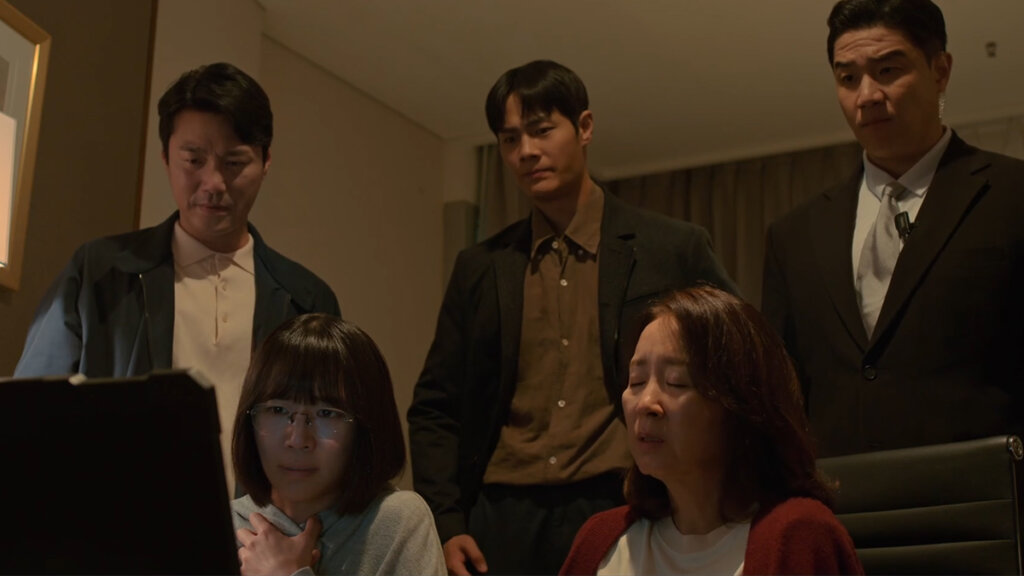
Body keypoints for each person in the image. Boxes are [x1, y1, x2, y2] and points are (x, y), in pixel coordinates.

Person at [407, 59, 736, 575]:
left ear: (584, 127)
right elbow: (435, 407)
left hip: (628, 499)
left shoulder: (671, 248)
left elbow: (741, 364)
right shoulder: (480, 267)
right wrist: (445, 522)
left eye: (541, 130)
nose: (526, 151)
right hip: (502, 517)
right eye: (510, 139)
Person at [14, 62, 339, 482]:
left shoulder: (306, 300)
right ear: (166, 157)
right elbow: (28, 418)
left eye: (234, 162)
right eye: (193, 160)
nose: (213, 182)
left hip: (262, 521)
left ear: (265, 161)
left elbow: (331, 442)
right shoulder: (100, 272)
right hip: (121, 515)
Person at [761, 0, 1024, 456]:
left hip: (988, 489)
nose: (866, 95)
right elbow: (782, 396)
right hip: (838, 491)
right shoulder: (794, 236)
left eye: (887, 71)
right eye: (848, 78)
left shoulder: (1012, 193)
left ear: (940, 71)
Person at [560, 286, 863, 575]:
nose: (645, 403)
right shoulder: (601, 541)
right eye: (636, 381)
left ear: (739, 407)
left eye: (676, 382)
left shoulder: (798, 537)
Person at [231, 313, 446, 576]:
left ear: (366, 427)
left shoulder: (395, 521)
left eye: (326, 414)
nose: (298, 440)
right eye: (277, 410)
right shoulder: (222, 525)